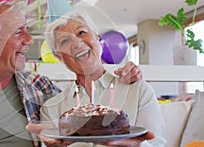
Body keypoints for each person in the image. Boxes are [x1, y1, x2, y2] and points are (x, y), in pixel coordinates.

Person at [0, 0, 142, 147]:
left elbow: (86, 107)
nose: (30, 40)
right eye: (19, 32)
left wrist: (120, 75)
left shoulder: (42, 88)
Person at [27, 12, 166, 147]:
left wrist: (137, 146)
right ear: (59, 56)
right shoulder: (52, 109)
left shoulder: (138, 91)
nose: (76, 43)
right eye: (65, 41)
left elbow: (157, 144)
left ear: (97, 38)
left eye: (81, 32)